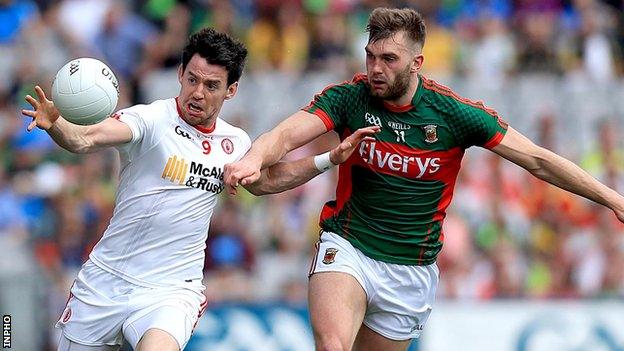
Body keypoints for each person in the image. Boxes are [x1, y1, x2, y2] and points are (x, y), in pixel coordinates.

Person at [224, 7, 624, 351]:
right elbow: (284, 134)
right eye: (370, 56)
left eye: (389, 59)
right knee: (332, 345)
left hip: (410, 270)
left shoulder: (455, 114)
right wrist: (255, 158)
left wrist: (612, 198)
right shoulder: (350, 98)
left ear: (417, 63)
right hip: (349, 246)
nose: (375, 69)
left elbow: (537, 159)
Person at [22, 27, 378, 351]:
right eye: (192, 79)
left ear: (231, 90)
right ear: (180, 74)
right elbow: (86, 138)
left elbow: (267, 181)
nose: (197, 93)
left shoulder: (235, 142)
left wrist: (328, 159)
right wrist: (57, 126)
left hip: (171, 290)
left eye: (211, 85)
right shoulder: (151, 120)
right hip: (105, 282)